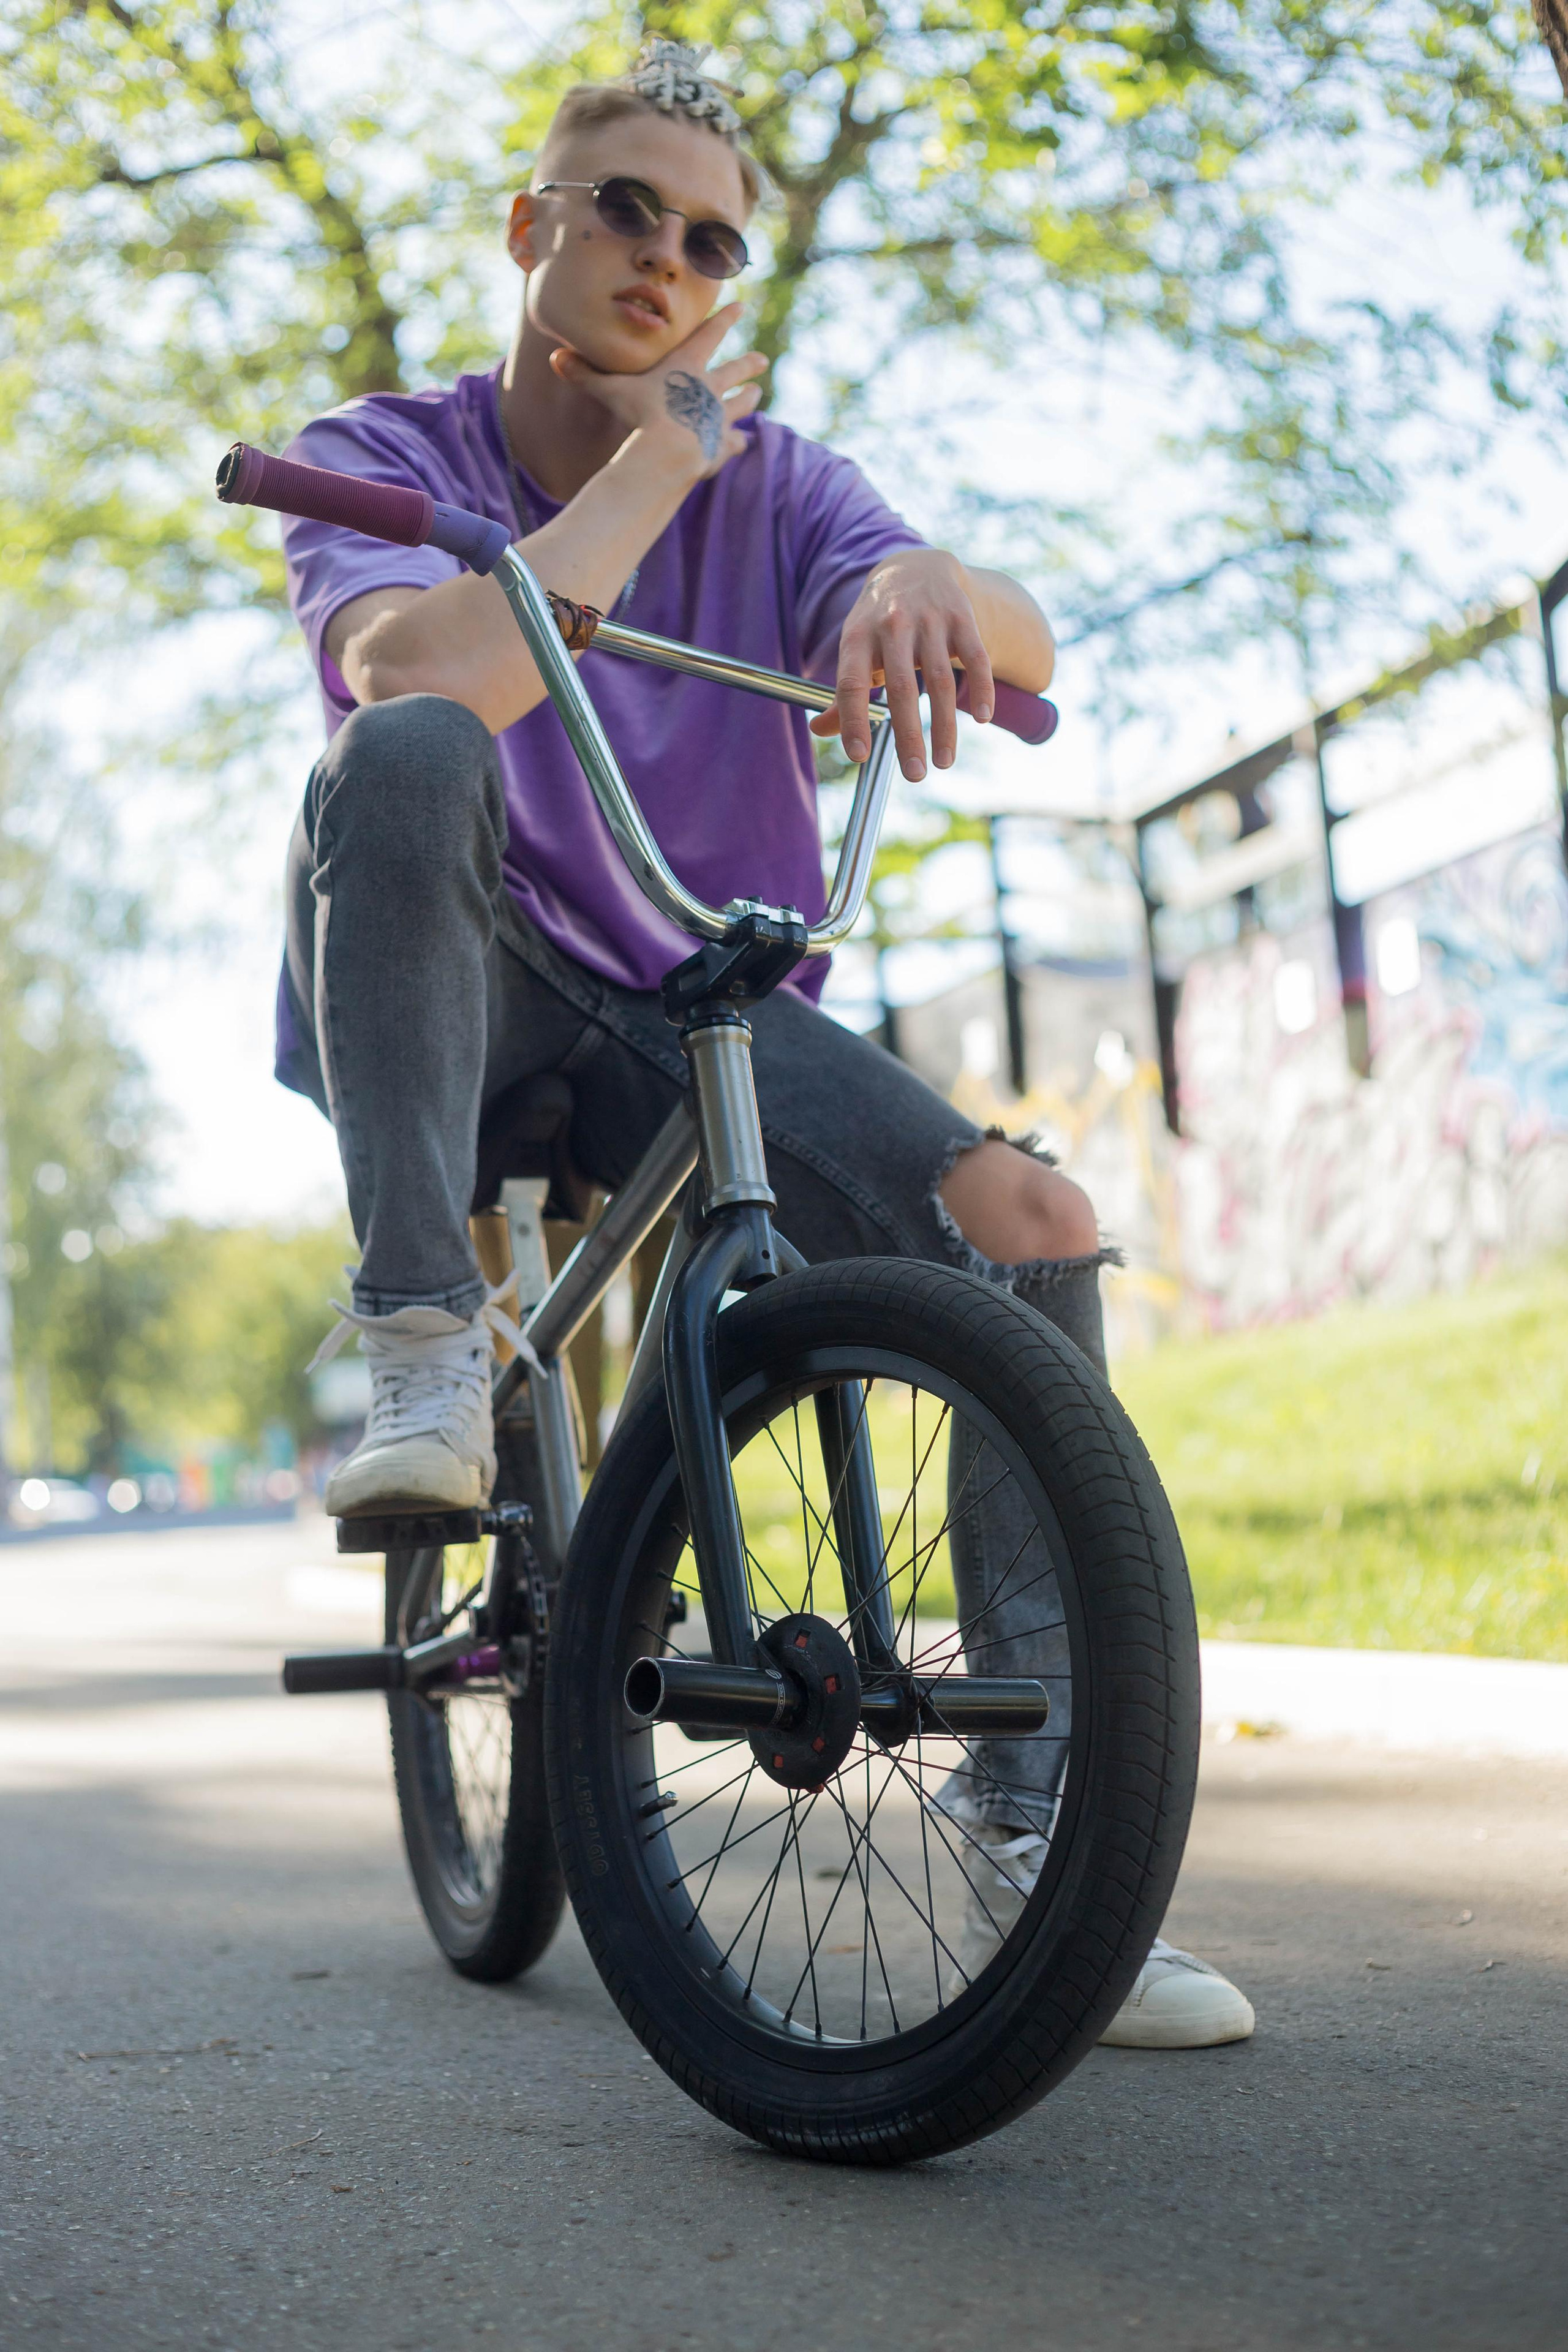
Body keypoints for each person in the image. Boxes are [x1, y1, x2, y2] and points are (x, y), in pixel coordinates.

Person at [276, 39, 1253, 2053]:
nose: (663, 254)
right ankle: (423, 1341)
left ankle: (1037, 1819)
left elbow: (1024, 633)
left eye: (707, 238)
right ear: (530, 224)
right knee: (405, 754)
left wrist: (912, 582)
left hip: (697, 987)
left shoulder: (789, 484)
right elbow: (421, 668)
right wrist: (659, 460)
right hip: (455, 974)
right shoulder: (390, 446)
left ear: (729, 286)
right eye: (622, 207)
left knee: (1031, 1214)